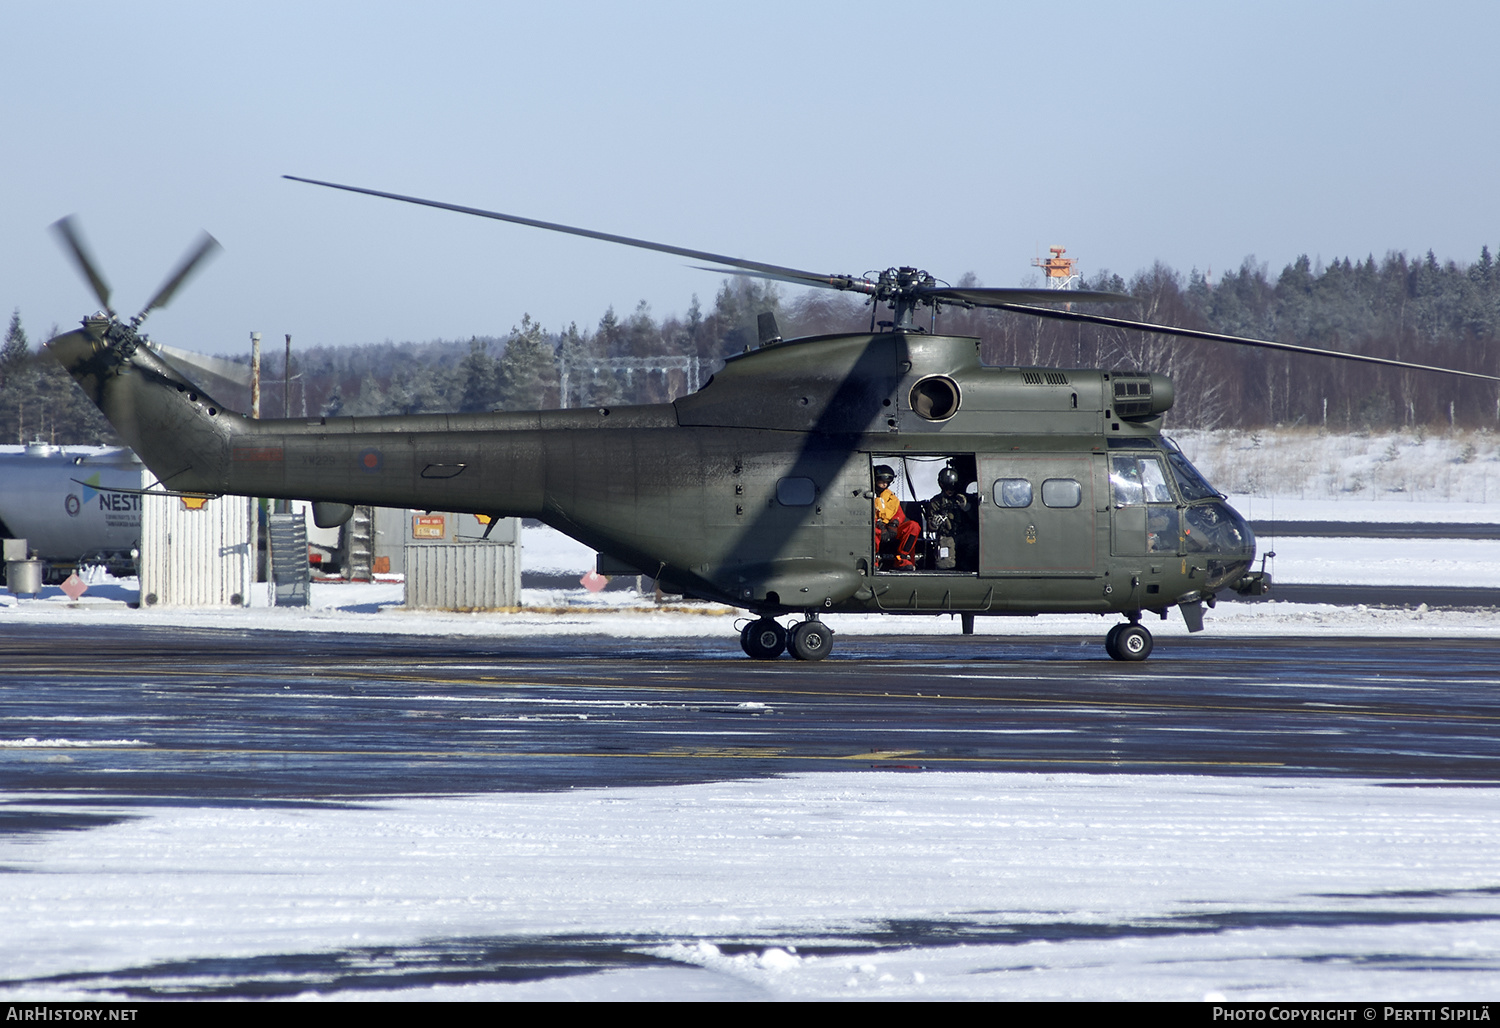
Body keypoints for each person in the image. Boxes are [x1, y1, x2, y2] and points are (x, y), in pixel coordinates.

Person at [872, 464, 920, 570]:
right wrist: (880, 525)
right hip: (877, 527)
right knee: (872, 530)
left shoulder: (891, 497)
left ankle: (901, 558)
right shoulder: (869, 495)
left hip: (890, 528)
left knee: (913, 526)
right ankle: (873, 559)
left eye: (887, 482)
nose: (884, 484)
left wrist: (894, 524)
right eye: (881, 481)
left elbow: (899, 513)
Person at [926, 466, 970, 570]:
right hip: (947, 536)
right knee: (945, 565)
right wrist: (934, 524)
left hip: (964, 535)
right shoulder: (936, 502)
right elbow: (930, 527)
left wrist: (966, 507)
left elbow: (976, 518)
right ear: (941, 485)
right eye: (946, 487)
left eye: (952, 487)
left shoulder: (963, 499)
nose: (949, 490)